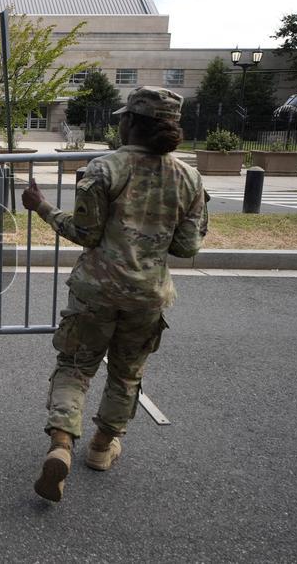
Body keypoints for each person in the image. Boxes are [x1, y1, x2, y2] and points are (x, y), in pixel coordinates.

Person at [21, 86, 208, 502]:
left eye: (123, 116)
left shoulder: (104, 169)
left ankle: (61, 446)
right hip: (147, 296)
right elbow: (187, 247)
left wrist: (42, 207)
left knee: (74, 366)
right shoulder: (189, 178)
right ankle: (102, 449)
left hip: (97, 291)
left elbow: (84, 232)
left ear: (130, 122)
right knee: (126, 375)